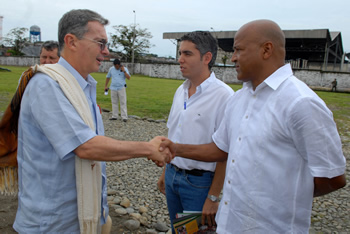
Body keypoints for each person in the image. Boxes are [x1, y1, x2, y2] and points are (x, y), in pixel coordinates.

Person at [160, 19, 346, 233]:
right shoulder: (240, 98)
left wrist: (279, 198)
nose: (233, 58)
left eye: (238, 50)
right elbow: (221, 149)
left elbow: (333, 177)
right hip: (230, 223)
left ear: (266, 50)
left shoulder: (300, 103)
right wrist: (176, 148)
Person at [13, 9, 172, 233]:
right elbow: (86, 146)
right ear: (71, 41)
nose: (106, 52)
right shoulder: (47, 86)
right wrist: (148, 148)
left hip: (79, 219)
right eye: (100, 43)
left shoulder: (83, 86)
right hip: (52, 223)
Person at [157, 31, 234, 233]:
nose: (180, 59)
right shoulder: (180, 90)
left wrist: (213, 196)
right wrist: (166, 171)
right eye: (180, 53)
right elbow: (174, 135)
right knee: (180, 231)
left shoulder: (224, 96)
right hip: (173, 177)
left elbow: (224, 151)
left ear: (206, 58)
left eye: (187, 54)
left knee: (194, 232)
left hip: (198, 184)